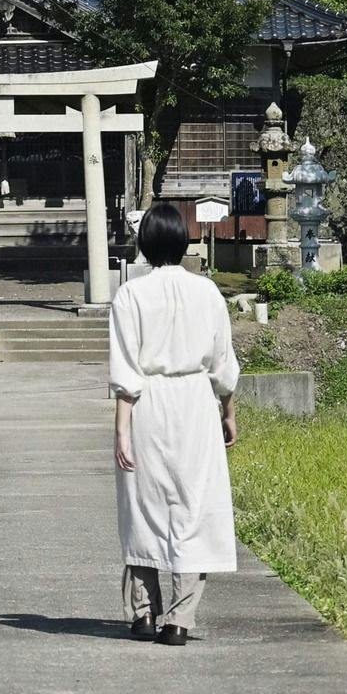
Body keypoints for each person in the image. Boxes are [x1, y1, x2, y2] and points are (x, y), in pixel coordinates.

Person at [107, 200, 239, 645]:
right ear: (184, 242)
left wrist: (122, 429)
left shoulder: (131, 294)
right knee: (192, 506)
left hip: (148, 403)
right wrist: (228, 412)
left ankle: (144, 612)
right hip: (195, 402)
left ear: (143, 243)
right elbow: (224, 365)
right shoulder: (208, 292)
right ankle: (180, 620)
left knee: (142, 507)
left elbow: (126, 369)